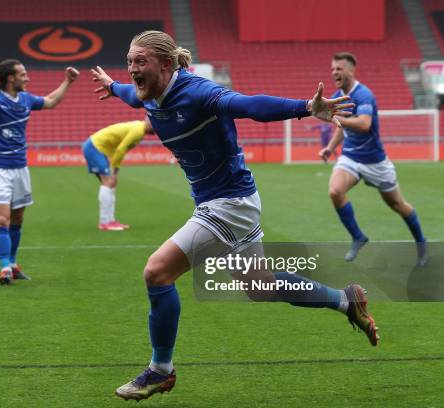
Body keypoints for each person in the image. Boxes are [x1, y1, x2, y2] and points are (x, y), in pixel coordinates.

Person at [91, 31, 379, 401]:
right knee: (261, 287)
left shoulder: (197, 92)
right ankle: (345, 300)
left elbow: (249, 105)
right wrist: (112, 85)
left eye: (139, 62)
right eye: (129, 61)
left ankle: (160, 370)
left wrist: (307, 107)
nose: (132, 69)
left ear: (165, 65)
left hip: (228, 204)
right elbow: (133, 96)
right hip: (231, 201)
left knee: (157, 272)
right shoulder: (149, 92)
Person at [0, 57, 79, 284]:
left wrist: (68, 81)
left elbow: (50, 101)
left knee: (18, 218)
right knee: (2, 219)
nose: (27, 77)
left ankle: (13, 263)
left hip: (20, 167)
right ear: (11, 78)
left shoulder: (26, 100)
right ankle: (4, 266)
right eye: (23, 73)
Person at [319, 52, 428, 265]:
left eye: (339, 68)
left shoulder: (364, 95)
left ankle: (422, 244)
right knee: (335, 191)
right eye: (333, 69)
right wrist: (330, 148)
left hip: (375, 162)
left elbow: (364, 124)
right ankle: (358, 237)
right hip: (350, 157)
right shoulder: (337, 95)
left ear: (351, 70)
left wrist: (334, 117)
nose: (335, 72)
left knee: (398, 204)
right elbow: (342, 126)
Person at [82, 117, 155, 230]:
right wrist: (114, 172)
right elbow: (121, 150)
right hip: (95, 147)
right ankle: (105, 222)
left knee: (110, 184)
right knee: (108, 183)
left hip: (97, 148)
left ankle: (110, 220)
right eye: (155, 123)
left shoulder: (139, 130)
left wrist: (115, 171)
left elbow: (121, 150)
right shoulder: (138, 130)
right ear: (148, 120)